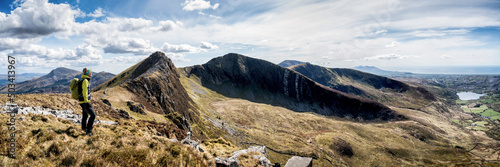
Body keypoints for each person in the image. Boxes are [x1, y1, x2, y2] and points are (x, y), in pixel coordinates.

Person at [79, 67, 96, 136]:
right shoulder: (85, 81)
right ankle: (89, 131)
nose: (91, 73)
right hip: (84, 101)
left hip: (81, 101)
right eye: (90, 72)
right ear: (88, 73)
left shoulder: (83, 79)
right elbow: (85, 91)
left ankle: (83, 129)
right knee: (93, 115)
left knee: (85, 115)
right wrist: (86, 101)